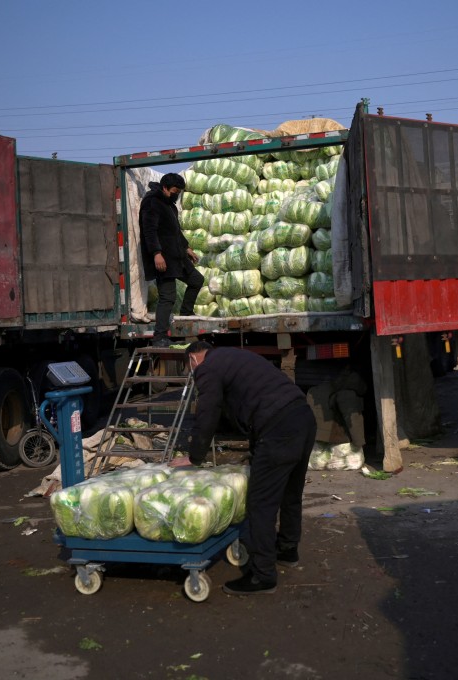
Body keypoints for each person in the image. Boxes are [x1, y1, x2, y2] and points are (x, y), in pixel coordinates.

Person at [170, 341, 316, 595]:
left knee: (260, 503)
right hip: (302, 417)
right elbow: (252, 400)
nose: (192, 374)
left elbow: (208, 411)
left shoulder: (208, 367)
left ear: (193, 359)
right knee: (290, 494)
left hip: (278, 427)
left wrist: (194, 457)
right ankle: (287, 550)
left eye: (189, 368)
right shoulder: (234, 356)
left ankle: (263, 575)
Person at [139, 172, 203, 347]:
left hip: (178, 256)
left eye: (179, 192)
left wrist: (187, 248)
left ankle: (186, 314)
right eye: (175, 191)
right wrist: (156, 253)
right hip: (163, 258)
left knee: (197, 280)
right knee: (168, 297)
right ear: (165, 188)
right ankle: (159, 336)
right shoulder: (152, 203)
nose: (177, 195)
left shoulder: (170, 205)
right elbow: (149, 231)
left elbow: (176, 231)